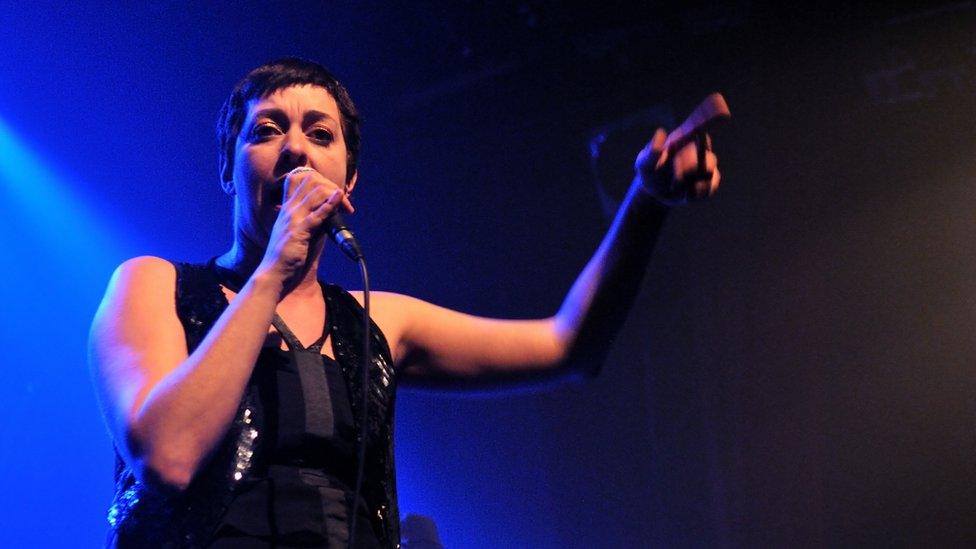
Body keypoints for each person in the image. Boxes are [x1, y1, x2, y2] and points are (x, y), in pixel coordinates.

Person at [88, 57, 723, 548]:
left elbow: (570, 345)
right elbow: (166, 455)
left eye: (320, 133)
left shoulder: (378, 319)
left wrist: (647, 205)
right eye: (266, 129)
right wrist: (274, 269)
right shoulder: (154, 285)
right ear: (228, 169)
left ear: (349, 178)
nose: (296, 149)